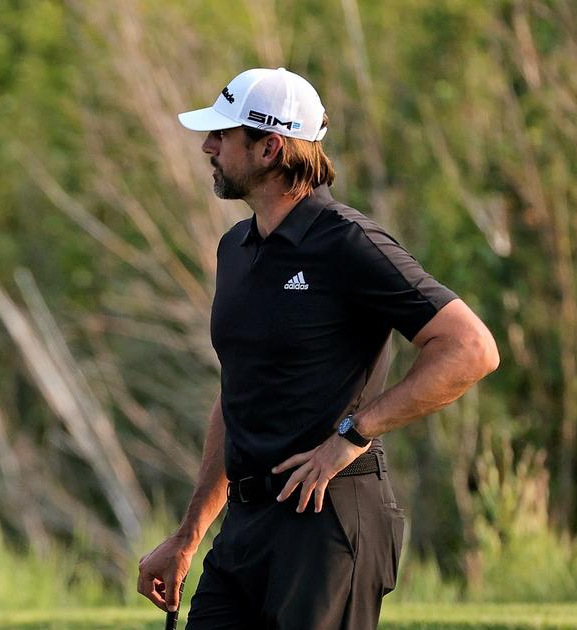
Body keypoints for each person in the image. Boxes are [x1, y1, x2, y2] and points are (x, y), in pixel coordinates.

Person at [136, 68, 499, 629]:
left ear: (269, 148)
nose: (208, 146)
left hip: (327, 520)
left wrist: (352, 436)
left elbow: (471, 347)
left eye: (223, 134)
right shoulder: (235, 248)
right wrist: (189, 535)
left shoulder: (350, 242)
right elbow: (238, 393)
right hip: (245, 527)